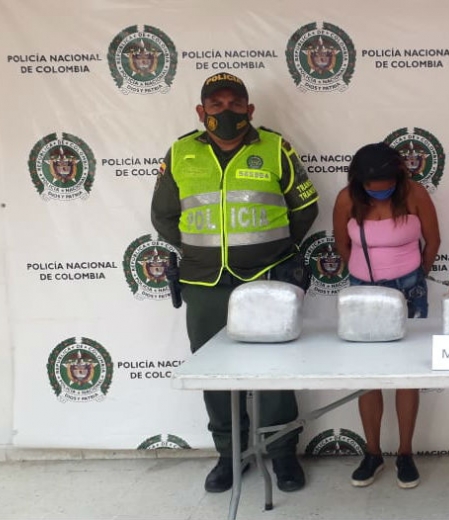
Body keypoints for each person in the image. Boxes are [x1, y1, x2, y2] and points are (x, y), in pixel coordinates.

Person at [151, 72, 319, 494]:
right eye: (216, 104)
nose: (226, 111)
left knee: (275, 372)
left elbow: (305, 207)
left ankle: (283, 455)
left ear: (250, 109)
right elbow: (163, 216)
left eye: (234, 103)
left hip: (266, 282)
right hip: (204, 282)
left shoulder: (276, 147)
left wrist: (273, 251)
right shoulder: (181, 152)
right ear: (200, 111)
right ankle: (230, 456)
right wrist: (201, 251)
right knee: (216, 373)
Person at [332, 142, 441, 489]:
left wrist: (416, 276)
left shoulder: (415, 195)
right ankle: (373, 452)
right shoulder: (347, 199)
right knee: (369, 375)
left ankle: (405, 453)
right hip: (363, 291)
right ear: (359, 181)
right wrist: (365, 273)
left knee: (407, 373)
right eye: (373, 190)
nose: (380, 195)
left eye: (387, 188)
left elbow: (433, 241)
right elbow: (341, 244)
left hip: (409, 289)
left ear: (399, 175)